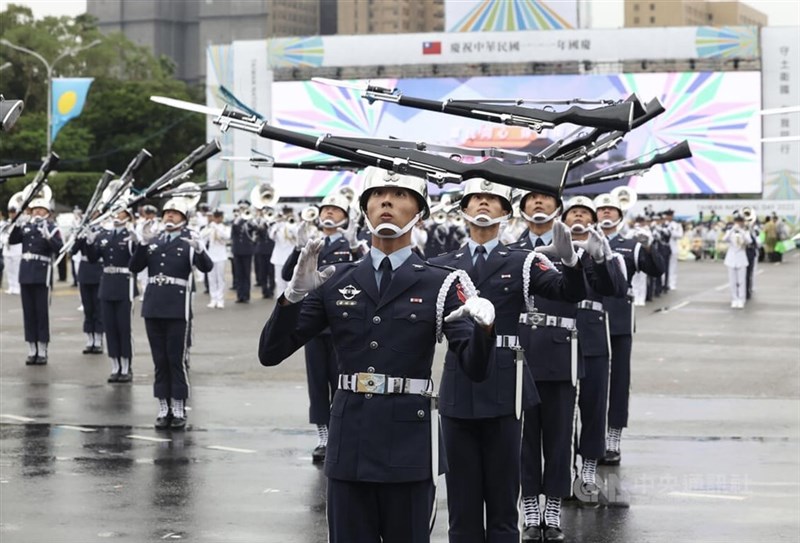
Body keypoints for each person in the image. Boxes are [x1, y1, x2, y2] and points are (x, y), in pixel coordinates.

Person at [259, 167, 497, 543]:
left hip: (409, 445)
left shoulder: (442, 281)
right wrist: (292, 297)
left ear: (420, 212)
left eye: (400, 195)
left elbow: (475, 367)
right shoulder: (336, 279)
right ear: (365, 209)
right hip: (350, 441)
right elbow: (271, 353)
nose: (387, 201)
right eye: (378, 195)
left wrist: (484, 332)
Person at [429, 179, 586, 543]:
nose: (483, 203)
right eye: (476, 198)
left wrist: (571, 261)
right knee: (462, 507)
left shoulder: (523, 261)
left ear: (505, 212)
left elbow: (568, 294)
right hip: (459, 383)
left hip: (504, 382)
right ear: (463, 209)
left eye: (493, 199)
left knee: (502, 507)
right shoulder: (440, 265)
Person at [512, 191, 622, 541]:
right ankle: (530, 504)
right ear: (522, 208)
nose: (539, 204)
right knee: (525, 434)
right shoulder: (512, 248)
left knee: (561, 432)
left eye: (546, 198)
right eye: (532, 199)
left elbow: (610, 288)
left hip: (564, 348)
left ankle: (555, 502)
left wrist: (600, 259)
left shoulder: (578, 247)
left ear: (555, 208)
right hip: (524, 349)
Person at [281, 192, 367, 463]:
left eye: (335, 210)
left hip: (344, 319)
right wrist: (298, 248)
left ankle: (344, 433)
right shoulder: (313, 242)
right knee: (317, 382)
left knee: (343, 380)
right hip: (315, 324)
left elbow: (365, 269)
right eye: (326, 209)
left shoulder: (350, 242)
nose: (329, 213)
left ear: (345, 216)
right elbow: (287, 275)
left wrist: (355, 247)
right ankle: (323, 436)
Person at [129, 196, 213, 429]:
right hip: (154, 305)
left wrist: (200, 250)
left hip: (177, 307)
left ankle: (178, 406)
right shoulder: (154, 240)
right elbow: (134, 268)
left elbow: (207, 267)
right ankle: (163, 405)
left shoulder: (189, 241)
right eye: (167, 213)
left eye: (174, 213)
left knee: (175, 359)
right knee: (159, 360)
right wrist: (143, 245)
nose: (169, 216)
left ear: (184, 219)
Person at [594, 193, 664, 466]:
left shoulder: (629, 245)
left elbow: (656, 271)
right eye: (602, 210)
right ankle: (591, 438)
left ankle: (613, 438)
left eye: (611, 210)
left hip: (619, 322)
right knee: (589, 386)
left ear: (620, 215)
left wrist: (648, 248)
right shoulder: (585, 242)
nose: (606, 214)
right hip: (589, 322)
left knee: (618, 382)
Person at [85, 206, 140, 382]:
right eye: (115, 213)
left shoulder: (130, 237)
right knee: (110, 328)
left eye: (121, 213)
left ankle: (126, 366)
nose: (117, 216)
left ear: (128, 216)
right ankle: (115, 365)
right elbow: (93, 258)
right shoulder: (105, 236)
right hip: (107, 283)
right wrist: (89, 243)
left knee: (123, 327)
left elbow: (137, 260)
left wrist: (138, 243)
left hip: (124, 284)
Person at [8, 193, 63, 364]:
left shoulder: (52, 228)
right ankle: (32, 348)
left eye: (41, 209)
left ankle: (42, 349)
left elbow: (59, 248)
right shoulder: (26, 227)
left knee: (41, 312)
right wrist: (16, 224)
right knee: (29, 313)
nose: (37, 213)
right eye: (35, 210)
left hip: (42, 273)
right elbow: (13, 240)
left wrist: (48, 237)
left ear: (47, 212)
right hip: (26, 272)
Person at [72, 216, 104, 355]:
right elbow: (73, 250)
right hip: (85, 271)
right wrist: (79, 235)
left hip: (98, 270)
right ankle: (89, 338)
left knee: (98, 307)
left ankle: (98, 338)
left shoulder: (103, 231)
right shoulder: (83, 232)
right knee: (88, 307)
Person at [200, 209, 230, 308]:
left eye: (218, 217)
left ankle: (220, 300)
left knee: (220, 278)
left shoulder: (225, 227)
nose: (217, 219)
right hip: (211, 256)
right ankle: (213, 299)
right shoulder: (210, 227)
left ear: (221, 218)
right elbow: (202, 238)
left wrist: (216, 227)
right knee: (211, 278)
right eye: (215, 217)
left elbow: (226, 236)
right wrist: (208, 229)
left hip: (221, 256)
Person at [723, 212, 752, 309]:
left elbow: (749, 241)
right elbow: (724, 239)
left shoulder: (745, 231)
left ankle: (741, 299)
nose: (739, 223)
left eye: (741, 221)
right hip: (731, 258)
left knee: (741, 281)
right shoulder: (730, 231)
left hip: (741, 257)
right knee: (732, 281)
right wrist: (732, 229)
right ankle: (734, 299)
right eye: (737, 221)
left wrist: (741, 230)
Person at [231, 199, 257, 303]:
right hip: (237, 250)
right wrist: (238, 218)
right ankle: (239, 295)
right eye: (241, 208)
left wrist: (249, 220)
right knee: (238, 274)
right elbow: (233, 231)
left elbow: (256, 230)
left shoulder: (250, 219)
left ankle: (246, 295)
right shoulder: (236, 219)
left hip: (247, 251)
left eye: (244, 208)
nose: (242, 210)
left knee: (246, 274)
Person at [2, 200, 22, 294]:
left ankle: (17, 287)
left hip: (16, 248)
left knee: (16, 269)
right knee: (9, 269)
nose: (11, 214)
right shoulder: (6, 223)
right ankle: (11, 286)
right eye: (10, 212)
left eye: (13, 212)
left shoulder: (19, 223)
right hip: (7, 248)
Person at [664, 209, 683, 291]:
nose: (669, 217)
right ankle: (664, 283)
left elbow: (680, 235)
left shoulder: (677, 225)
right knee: (663, 267)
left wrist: (672, 232)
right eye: (668, 215)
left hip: (673, 248)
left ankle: (672, 283)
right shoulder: (663, 224)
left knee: (673, 267)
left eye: (670, 215)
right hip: (663, 248)